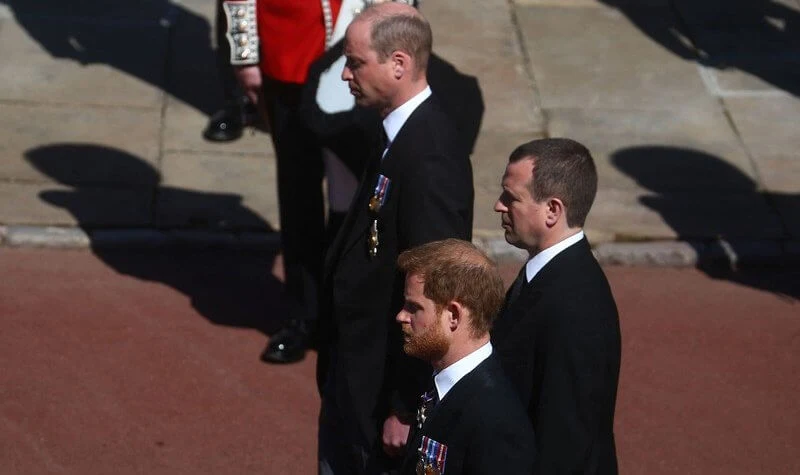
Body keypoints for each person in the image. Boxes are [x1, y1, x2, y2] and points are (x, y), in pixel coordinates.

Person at [318, 3, 474, 473]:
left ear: (399, 63)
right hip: (356, 375)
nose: (345, 74)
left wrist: (405, 405)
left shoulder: (430, 158)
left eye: (356, 62)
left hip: (382, 393)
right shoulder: (393, 135)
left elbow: (436, 285)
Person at [222, 0, 344, 363]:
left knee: (352, 201)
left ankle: (346, 315)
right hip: (286, 60)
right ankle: (303, 315)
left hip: (355, 61)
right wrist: (246, 57)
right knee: (298, 195)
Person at [491, 138, 622, 474]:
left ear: (552, 210)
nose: (499, 206)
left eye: (512, 198)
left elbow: (565, 440)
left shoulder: (575, 305)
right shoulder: (550, 273)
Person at [395, 239, 536, 475]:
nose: (401, 316)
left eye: (414, 308)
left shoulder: (496, 423)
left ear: (453, 315)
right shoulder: (441, 384)